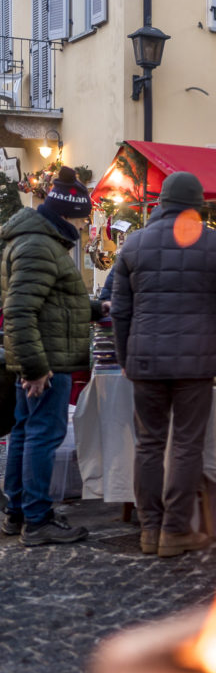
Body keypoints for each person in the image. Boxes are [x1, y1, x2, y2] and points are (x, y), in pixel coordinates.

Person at [110, 171, 216, 557]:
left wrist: (124, 358)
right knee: (186, 444)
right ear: (196, 205)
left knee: (149, 444)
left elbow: (120, 311)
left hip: (145, 360)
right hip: (197, 362)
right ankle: (175, 531)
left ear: (161, 203)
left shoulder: (134, 244)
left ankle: (149, 531)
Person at [0, 167, 104, 545]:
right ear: (65, 213)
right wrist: (36, 367)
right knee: (41, 435)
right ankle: (37, 518)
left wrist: (94, 308)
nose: (80, 227)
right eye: (79, 219)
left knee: (25, 433)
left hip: (41, 355)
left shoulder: (36, 242)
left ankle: (17, 513)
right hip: (47, 361)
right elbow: (19, 310)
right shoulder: (38, 245)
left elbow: (52, 301)